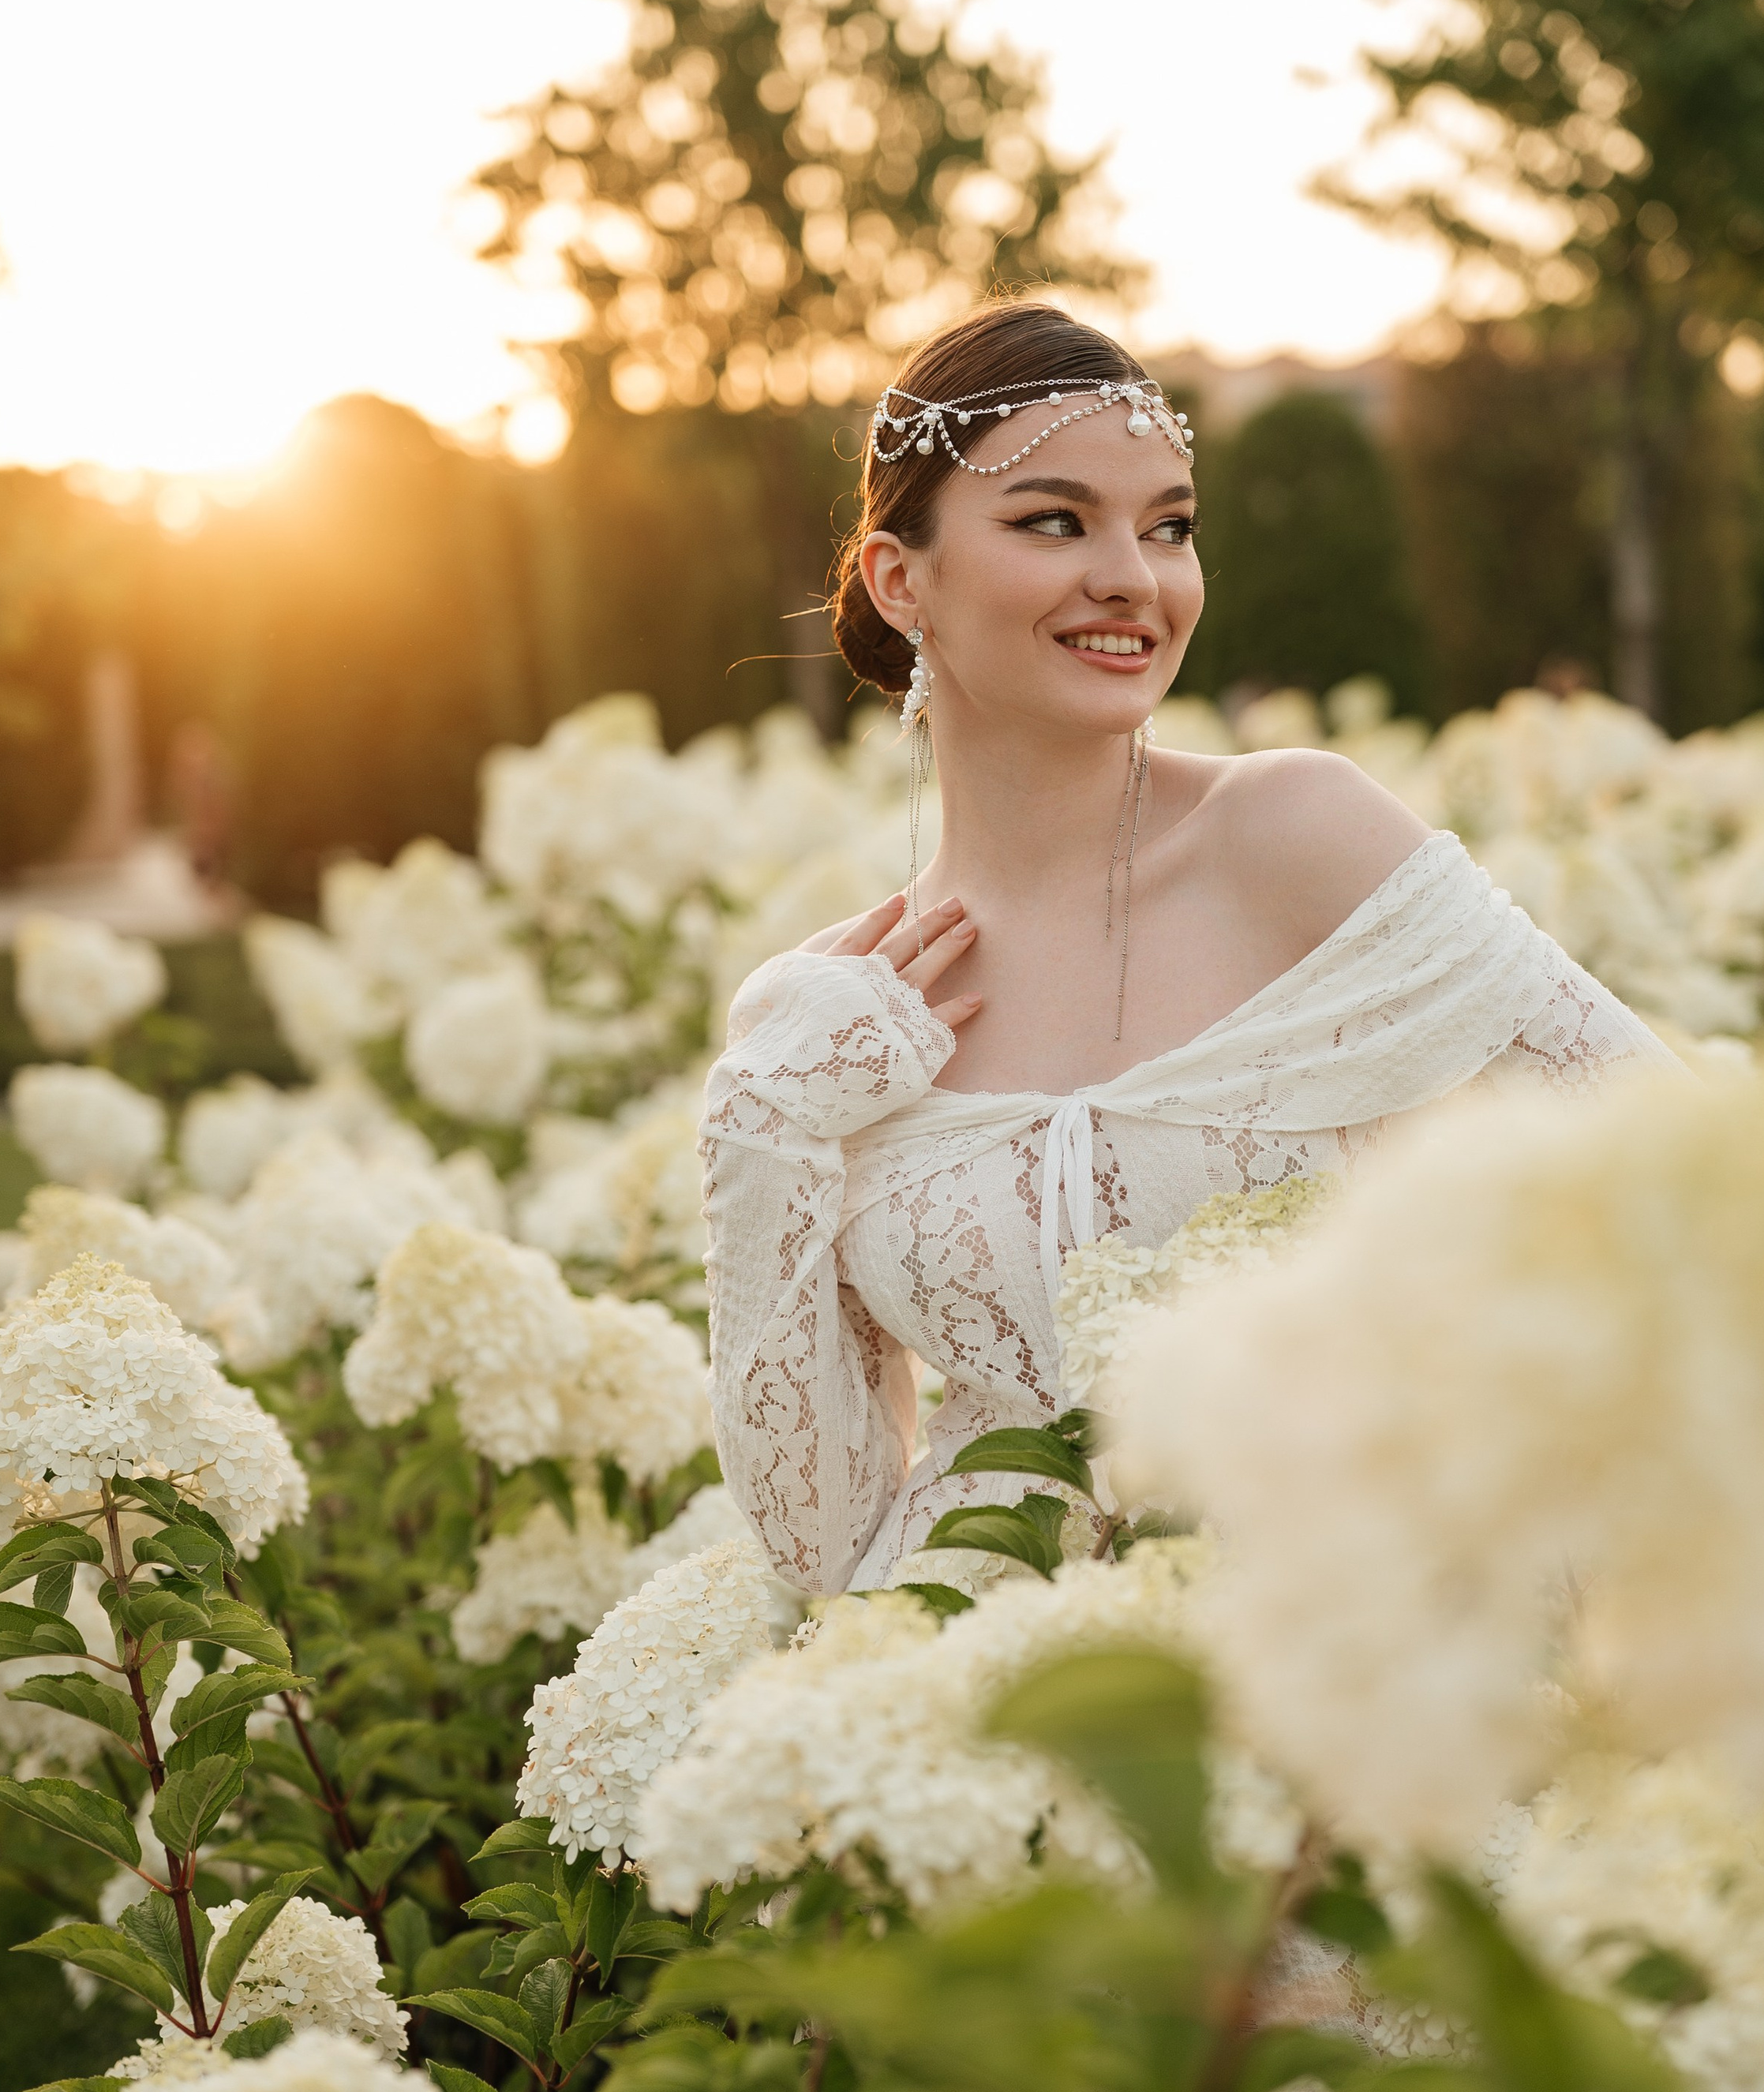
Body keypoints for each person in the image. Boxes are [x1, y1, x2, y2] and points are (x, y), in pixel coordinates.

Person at [701, 299, 1670, 1600]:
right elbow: (827, 1556)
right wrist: (763, 1130)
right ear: (900, 580)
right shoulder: (829, 1013)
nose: (1134, 578)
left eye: (1168, 527)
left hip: (1348, 1667)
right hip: (1001, 1717)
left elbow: (1682, 1165)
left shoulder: (1297, 835)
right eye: (1055, 520)